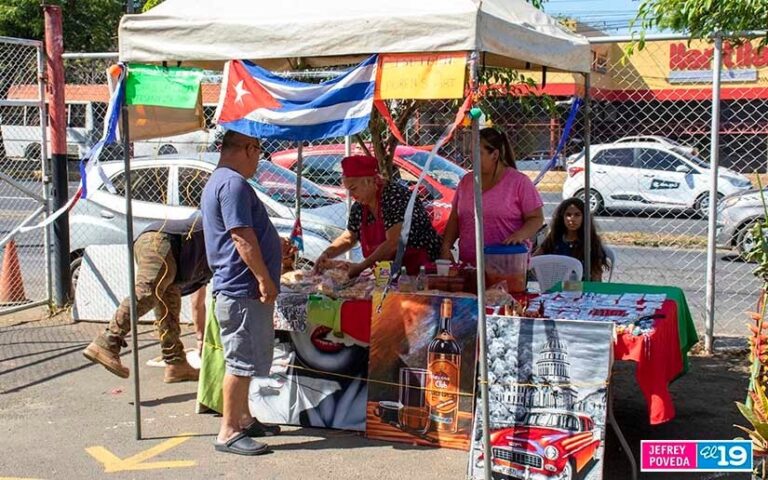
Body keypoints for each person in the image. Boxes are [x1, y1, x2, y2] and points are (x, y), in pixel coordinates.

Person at [201, 130, 282, 456]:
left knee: (246, 359)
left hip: (238, 288)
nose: (258, 161)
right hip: (241, 289)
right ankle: (229, 430)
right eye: (259, 152)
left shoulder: (221, 181)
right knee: (240, 361)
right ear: (249, 149)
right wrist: (264, 279)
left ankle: (244, 418)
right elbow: (242, 237)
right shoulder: (232, 184)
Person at [83, 214, 210, 383]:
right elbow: (198, 301)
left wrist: (201, 337)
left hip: (166, 249)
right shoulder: (232, 234)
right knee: (147, 293)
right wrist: (201, 338)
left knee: (168, 310)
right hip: (161, 241)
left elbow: (198, 298)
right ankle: (107, 342)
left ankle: (176, 364)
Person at [315, 155, 442, 277]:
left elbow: (394, 242)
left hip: (423, 272)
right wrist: (327, 254)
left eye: (353, 189)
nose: (351, 195)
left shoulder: (396, 197)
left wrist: (361, 266)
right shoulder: (360, 207)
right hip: (389, 275)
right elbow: (349, 237)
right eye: (348, 190)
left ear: (370, 181)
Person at [440, 127, 545, 263]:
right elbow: (455, 218)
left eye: (478, 153)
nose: (472, 157)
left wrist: (519, 236)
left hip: (507, 265)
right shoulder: (466, 181)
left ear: (494, 155)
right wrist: (446, 246)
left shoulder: (519, 182)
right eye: (471, 153)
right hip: (470, 266)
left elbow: (536, 218)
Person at [534, 197, 610, 281]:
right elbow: (534, 260)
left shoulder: (590, 241)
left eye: (577, 215)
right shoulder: (554, 238)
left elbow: (597, 275)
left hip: (582, 288)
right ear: (562, 217)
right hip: (557, 288)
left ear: (584, 217)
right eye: (568, 215)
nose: (572, 219)